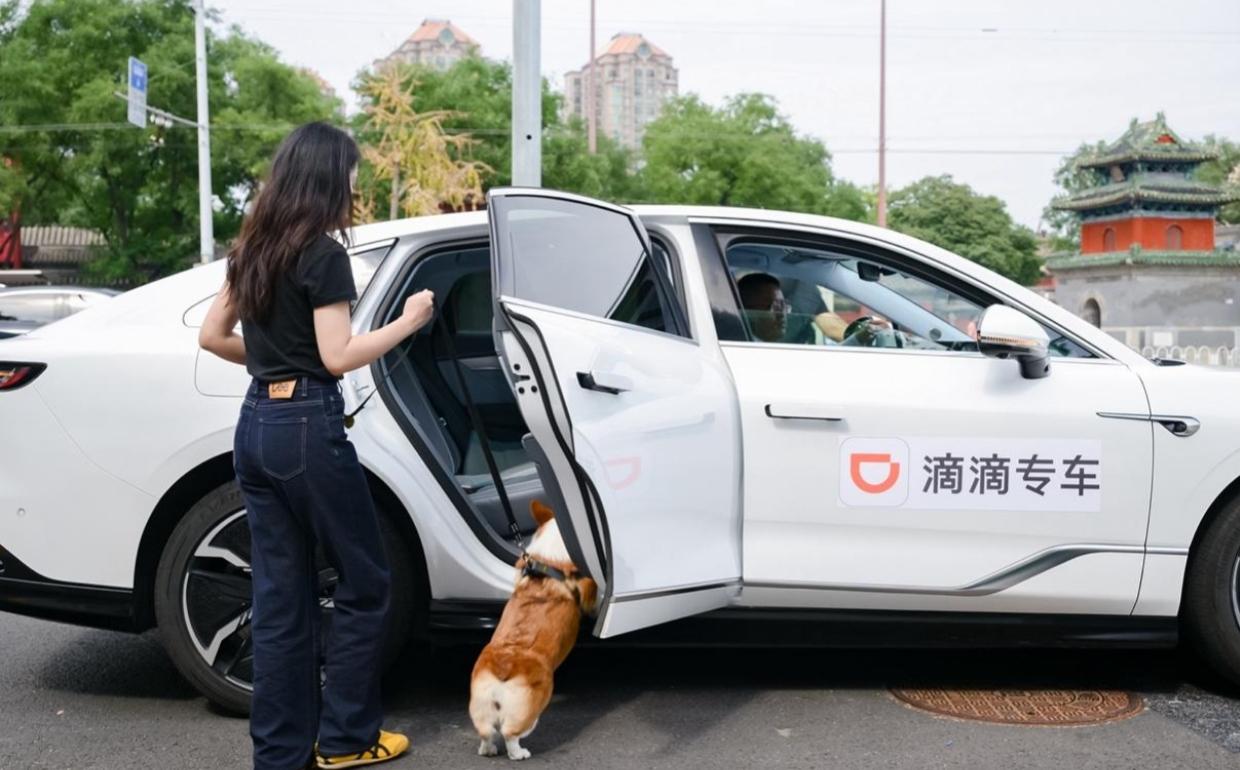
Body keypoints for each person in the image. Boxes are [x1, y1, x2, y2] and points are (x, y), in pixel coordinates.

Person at [199, 122, 435, 770]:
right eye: (352, 173)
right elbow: (336, 357)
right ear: (329, 176)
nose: (356, 184)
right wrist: (407, 323)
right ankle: (346, 739)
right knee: (365, 580)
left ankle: (280, 756)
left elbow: (212, 337)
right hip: (307, 428)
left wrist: (276, 361)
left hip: (256, 427)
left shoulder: (252, 248)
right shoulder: (323, 253)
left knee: (280, 596)